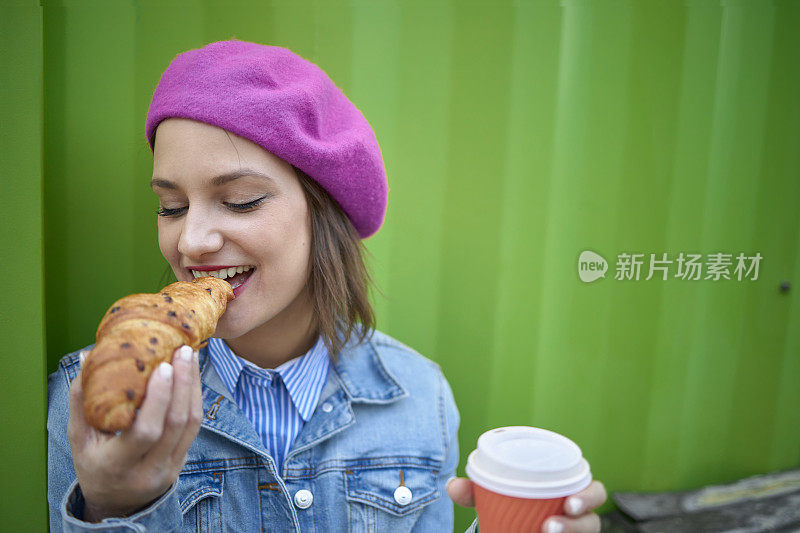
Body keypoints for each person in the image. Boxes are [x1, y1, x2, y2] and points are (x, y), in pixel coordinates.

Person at [47, 39, 606, 532]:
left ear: (325, 213)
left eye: (239, 200)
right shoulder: (92, 399)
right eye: (171, 207)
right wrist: (115, 505)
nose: (191, 241)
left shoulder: (419, 398)